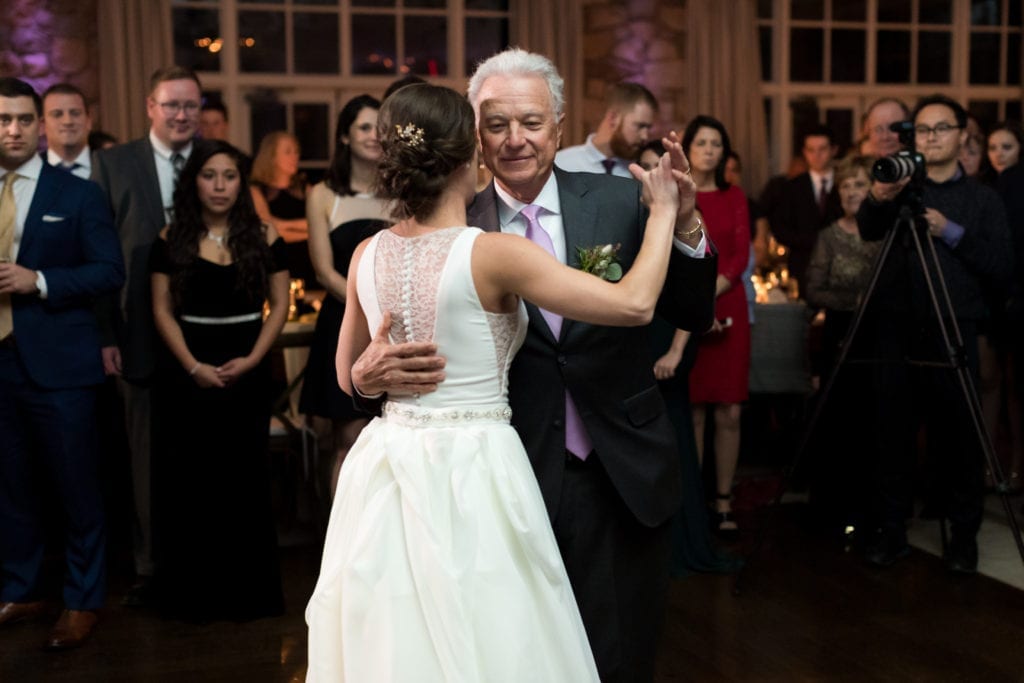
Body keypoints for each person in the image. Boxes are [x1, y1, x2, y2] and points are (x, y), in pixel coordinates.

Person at [348, 48, 717, 682]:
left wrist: (682, 221)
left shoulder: (621, 198)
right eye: (496, 124)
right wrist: (364, 378)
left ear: (561, 125)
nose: (515, 139)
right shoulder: (451, 226)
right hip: (499, 480)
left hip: (617, 466)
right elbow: (379, 355)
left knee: (621, 653)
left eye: (532, 122)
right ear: (471, 133)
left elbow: (689, 306)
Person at [857, 94, 1013, 574]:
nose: (930, 138)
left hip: (955, 324)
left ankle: (963, 539)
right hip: (897, 326)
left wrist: (950, 232)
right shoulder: (903, 186)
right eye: (922, 131)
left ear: (963, 134)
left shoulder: (983, 198)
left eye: (941, 129)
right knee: (892, 436)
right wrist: (878, 198)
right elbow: (866, 230)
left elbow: (1002, 266)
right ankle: (892, 531)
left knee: (960, 440)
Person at [0, 77, 124, 649]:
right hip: (1, 366)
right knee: (11, 485)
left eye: (25, 119)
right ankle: (23, 588)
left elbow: (109, 271)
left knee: (77, 487)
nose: (14, 129)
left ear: (41, 125)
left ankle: (82, 599)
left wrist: (40, 280)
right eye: (3, 120)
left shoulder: (76, 193)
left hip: (60, 364)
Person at [149, 140, 288, 621]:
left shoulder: (264, 235)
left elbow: (281, 304)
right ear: (194, 183)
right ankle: (194, 597)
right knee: (193, 483)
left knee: (245, 481)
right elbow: (161, 310)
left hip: (246, 372)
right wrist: (192, 366)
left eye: (229, 176)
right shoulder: (171, 239)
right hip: (188, 374)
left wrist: (253, 358)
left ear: (241, 183)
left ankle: (249, 594)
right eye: (210, 175)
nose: (220, 185)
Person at [92, 65, 203, 607]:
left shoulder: (213, 161)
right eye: (172, 105)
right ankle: (147, 563)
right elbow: (94, 252)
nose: (182, 115)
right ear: (150, 107)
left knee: (198, 448)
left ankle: (197, 556)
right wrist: (105, 333)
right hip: (135, 327)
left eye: (191, 106)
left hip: (204, 328)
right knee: (143, 451)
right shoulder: (112, 164)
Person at [299, 95, 390, 494]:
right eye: (364, 127)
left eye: (379, 127)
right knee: (348, 442)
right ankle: (342, 546)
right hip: (345, 323)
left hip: (393, 325)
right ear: (345, 137)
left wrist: (388, 315)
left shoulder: (402, 191)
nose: (374, 136)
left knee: (393, 441)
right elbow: (323, 270)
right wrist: (366, 309)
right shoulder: (322, 195)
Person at [676, 115, 752, 540]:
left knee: (730, 409)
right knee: (695, 410)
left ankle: (724, 499)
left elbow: (740, 255)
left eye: (716, 143)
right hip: (689, 308)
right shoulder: (678, 193)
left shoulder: (735, 195)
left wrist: (712, 291)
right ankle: (695, 500)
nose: (709, 149)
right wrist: (699, 299)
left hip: (729, 303)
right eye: (701, 142)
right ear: (688, 147)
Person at [804, 154, 881, 535]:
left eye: (860, 185)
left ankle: (875, 509)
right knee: (839, 421)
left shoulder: (884, 235)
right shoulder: (829, 236)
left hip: (880, 337)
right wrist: (853, 303)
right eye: (847, 185)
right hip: (839, 337)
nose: (852, 191)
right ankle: (835, 508)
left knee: (875, 422)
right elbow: (813, 289)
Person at [771, 125, 842, 290]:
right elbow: (779, 227)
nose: (816, 155)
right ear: (804, 152)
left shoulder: (844, 184)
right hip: (803, 267)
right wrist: (807, 241)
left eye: (822, 149)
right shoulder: (792, 187)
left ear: (834, 150)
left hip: (840, 266)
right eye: (811, 150)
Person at [555, 81, 658, 176]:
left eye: (648, 128)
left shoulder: (641, 171)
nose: (645, 136)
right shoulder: (560, 164)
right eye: (640, 126)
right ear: (613, 118)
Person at [250, 130, 314, 283]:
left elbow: (325, 224)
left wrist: (282, 225)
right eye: (288, 152)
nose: (295, 156)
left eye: (296, 151)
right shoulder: (256, 189)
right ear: (271, 156)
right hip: (276, 267)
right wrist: (311, 231)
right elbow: (268, 232)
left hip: (308, 267)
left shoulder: (306, 188)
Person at [41, 83, 93, 180]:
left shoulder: (113, 169)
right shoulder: (30, 170)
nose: (67, 121)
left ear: (89, 121)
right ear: (42, 125)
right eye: (57, 114)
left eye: (75, 113)